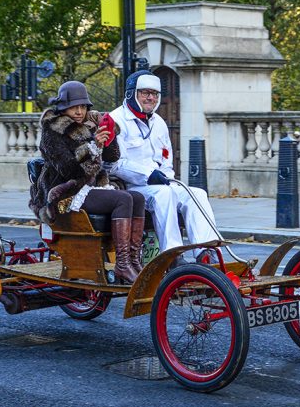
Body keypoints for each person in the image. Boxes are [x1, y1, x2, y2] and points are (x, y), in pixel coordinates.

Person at [29, 81, 145, 284]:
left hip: (90, 187)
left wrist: (108, 134)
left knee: (137, 198)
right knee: (123, 200)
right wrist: (93, 146)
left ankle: (133, 261)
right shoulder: (51, 132)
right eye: (74, 107)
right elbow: (68, 169)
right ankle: (122, 264)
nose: (79, 111)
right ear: (63, 107)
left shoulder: (87, 126)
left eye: (83, 106)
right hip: (66, 193)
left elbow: (112, 157)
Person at [108, 70, 219, 265]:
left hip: (159, 184)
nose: (151, 97)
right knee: (164, 195)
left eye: (155, 93)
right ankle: (172, 255)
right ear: (131, 93)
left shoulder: (159, 122)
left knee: (197, 194)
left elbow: (166, 158)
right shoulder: (115, 120)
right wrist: (148, 175)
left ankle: (205, 252)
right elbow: (113, 164)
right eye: (145, 92)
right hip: (130, 188)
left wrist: (165, 176)